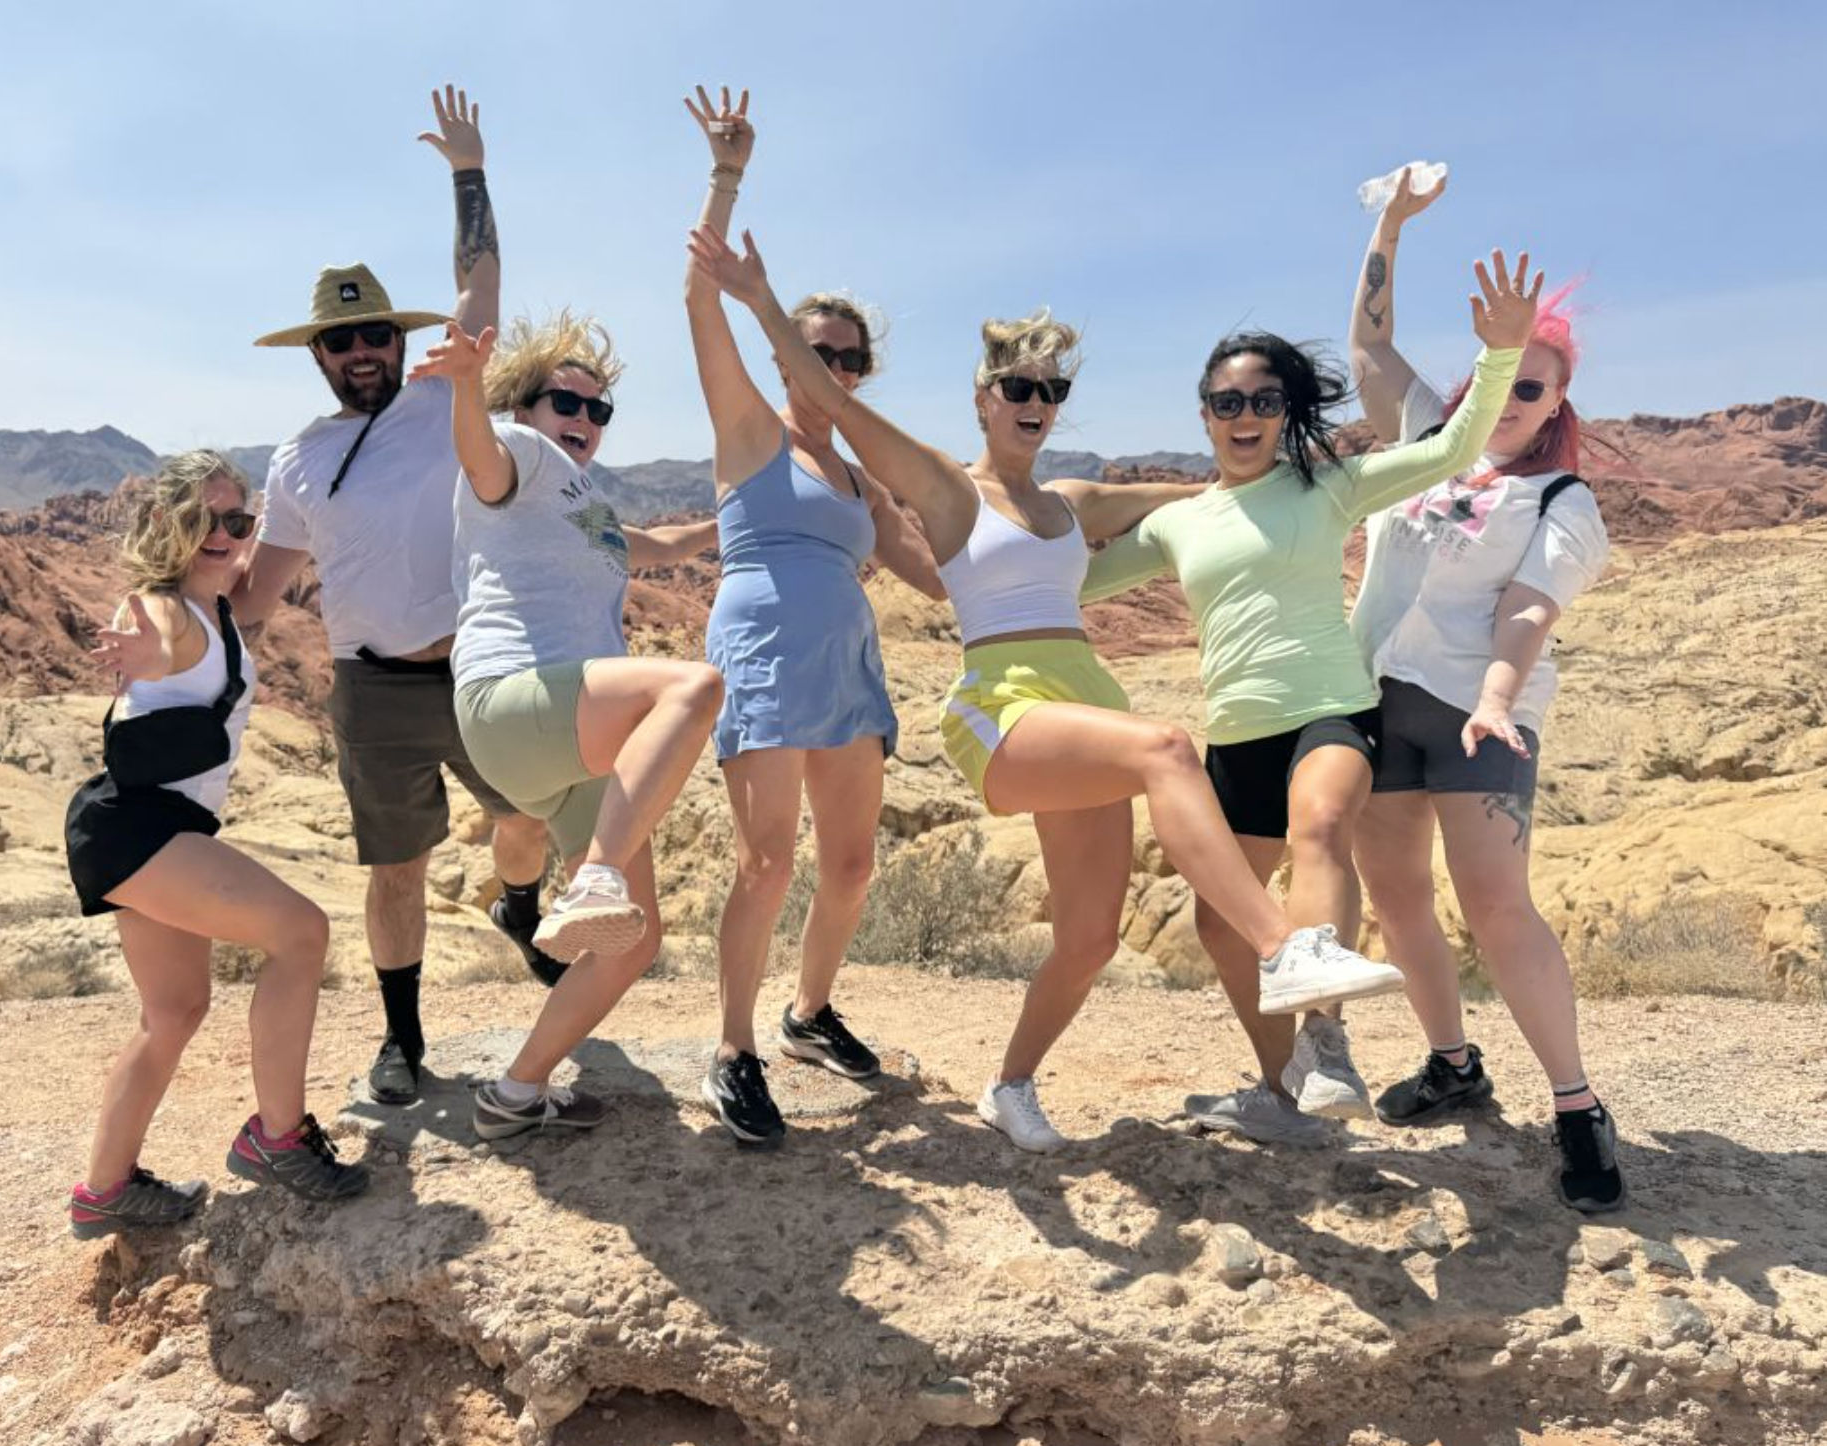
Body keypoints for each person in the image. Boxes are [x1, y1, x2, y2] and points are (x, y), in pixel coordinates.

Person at [691, 225, 1407, 1154]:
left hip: (1082, 699)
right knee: (1166, 749)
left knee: (1090, 938)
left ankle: (1012, 1086)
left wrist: (1295, 469)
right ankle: (1284, 949)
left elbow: (1218, 494)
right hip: (1004, 704)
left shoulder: (1072, 501)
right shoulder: (950, 489)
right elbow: (832, 399)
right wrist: (758, 301)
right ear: (985, 399)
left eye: (1052, 390)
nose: (1036, 402)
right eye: (1018, 387)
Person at [1079, 246, 1546, 1146]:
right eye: (1228, 402)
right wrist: (974, 517)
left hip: (1331, 709)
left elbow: (1451, 446)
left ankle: (1326, 1041)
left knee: (1322, 829)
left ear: (1285, 412)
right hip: (1237, 732)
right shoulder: (1178, 522)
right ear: (1206, 415)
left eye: (1263, 401)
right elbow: (1070, 585)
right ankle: (1281, 1092)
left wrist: (1499, 355)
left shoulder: (1326, 487)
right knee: (1222, 928)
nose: (1245, 416)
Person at [238, 86, 555, 1111]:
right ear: (320, 357)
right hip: (373, 694)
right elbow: (258, 594)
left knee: (532, 820)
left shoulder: (439, 394)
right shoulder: (298, 458)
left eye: (374, 332)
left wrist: (469, 171)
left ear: (392, 337)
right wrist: (175, 624)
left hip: (479, 671)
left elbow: (484, 279)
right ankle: (404, 1042)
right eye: (342, 342)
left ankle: (519, 905)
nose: (362, 350)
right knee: (397, 872)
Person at [1346, 168, 1623, 1211]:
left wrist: (1499, 697)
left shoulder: (1561, 498)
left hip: (1477, 719)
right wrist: (1389, 226)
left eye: (1532, 386)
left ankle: (1576, 1105)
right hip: (1375, 703)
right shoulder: (1423, 434)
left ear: (1556, 403)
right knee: (1398, 898)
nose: (1507, 401)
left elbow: (1526, 607)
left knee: (1498, 909)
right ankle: (1454, 1064)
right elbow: (1368, 346)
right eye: (1498, 376)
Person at [680, 88, 945, 1146]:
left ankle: (807, 1012)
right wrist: (728, 176)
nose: (830, 371)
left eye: (849, 360)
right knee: (767, 863)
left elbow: (931, 576)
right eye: (814, 351)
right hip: (764, 657)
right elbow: (699, 304)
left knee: (848, 865)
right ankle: (733, 1047)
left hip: (847, 669)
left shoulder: (857, 474)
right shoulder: (750, 430)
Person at [414, 312, 722, 1141]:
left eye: (598, 411)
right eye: (567, 403)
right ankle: (593, 878)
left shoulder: (580, 503)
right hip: (516, 697)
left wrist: (733, 525)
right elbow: (482, 455)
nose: (583, 421)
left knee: (632, 943)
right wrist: (468, 390)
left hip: (568, 740)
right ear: (529, 407)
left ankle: (515, 1093)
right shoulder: (524, 453)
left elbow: (653, 544)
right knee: (691, 690)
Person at [64, 452, 369, 1238]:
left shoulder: (226, 604)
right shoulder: (161, 607)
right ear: (168, 524)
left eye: (238, 520)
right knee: (302, 933)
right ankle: (277, 1137)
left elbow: (284, 556)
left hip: (145, 829)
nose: (226, 534)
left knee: (173, 1010)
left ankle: (105, 1190)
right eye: (206, 518)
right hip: (142, 829)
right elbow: (158, 637)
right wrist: (147, 656)